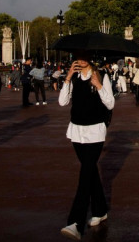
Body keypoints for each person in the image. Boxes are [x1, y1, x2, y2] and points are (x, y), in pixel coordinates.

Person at [58, 53, 114, 240]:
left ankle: (76, 222)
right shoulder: (74, 77)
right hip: (76, 131)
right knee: (89, 172)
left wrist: (98, 86)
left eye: (83, 58)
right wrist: (67, 78)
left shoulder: (101, 76)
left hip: (95, 131)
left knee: (85, 174)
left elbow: (110, 103)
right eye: (77, 58)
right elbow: (62, 102)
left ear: (89, 59)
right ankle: (100, 210)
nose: (80, 62)